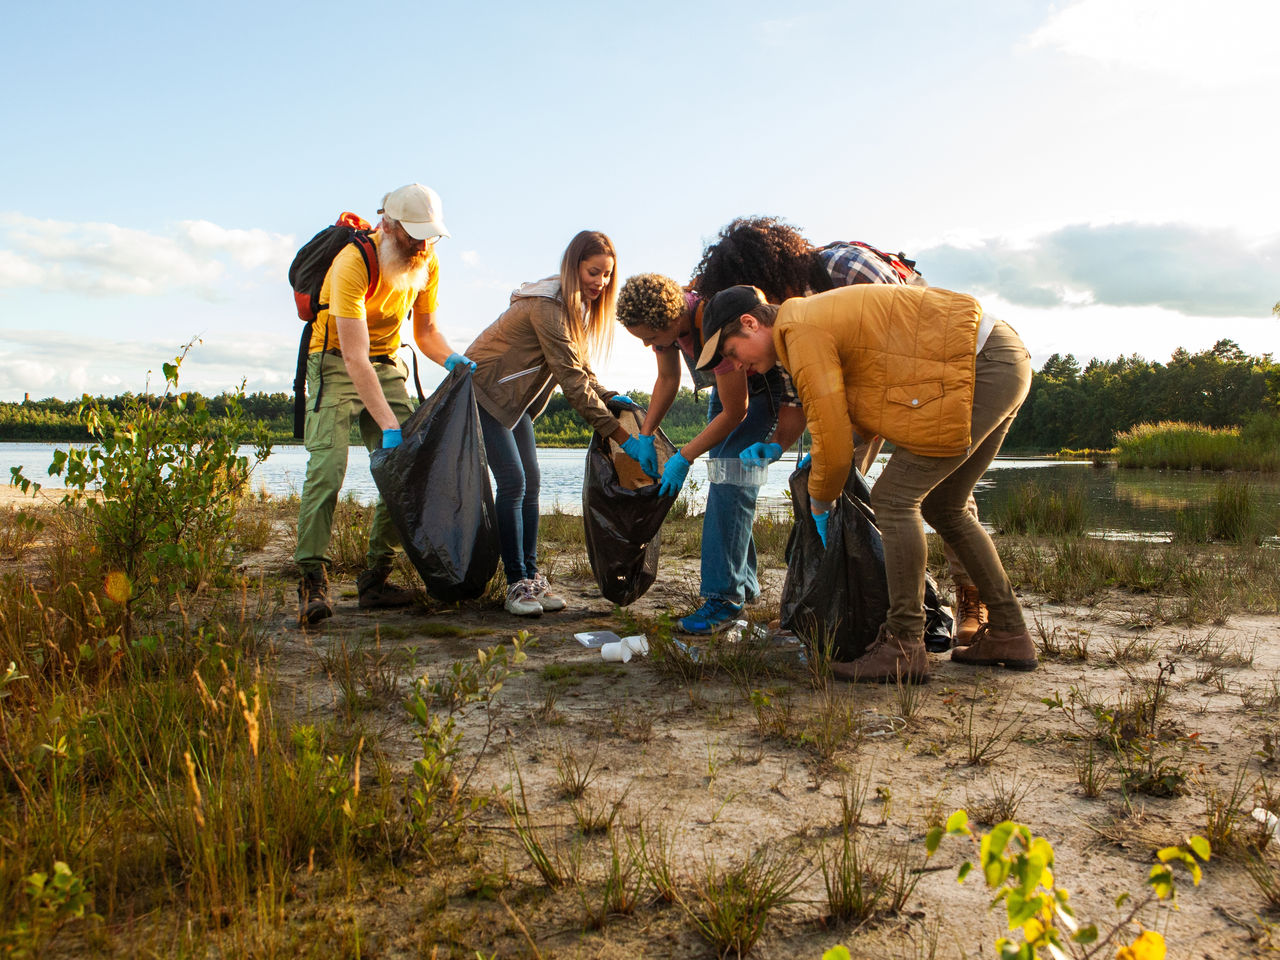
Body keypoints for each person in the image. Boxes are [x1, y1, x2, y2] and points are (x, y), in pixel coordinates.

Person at [696, 283, 1035, 682]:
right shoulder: (809, 319)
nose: (737, 366)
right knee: (946, 506)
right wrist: (788, 451)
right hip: (999, 360)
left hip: (979, 365)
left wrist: (820, 501)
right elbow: (858, 413)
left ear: (751, 324)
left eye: (733, 353)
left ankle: (904, 645)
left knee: (893, 499)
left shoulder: (798, 330)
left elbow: (834, 442)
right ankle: (1010, 632)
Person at [694, 216, 989, 644]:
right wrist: (778, 446)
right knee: (828, 485)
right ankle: (831, 602)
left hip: (935, 370)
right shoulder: (784, 330)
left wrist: (847, 438)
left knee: (943, 491)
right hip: (855, 392)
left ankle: (969, 594)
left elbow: (913, 334)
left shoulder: (847, 270)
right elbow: (797, 401)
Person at [295, 183, 475, 625]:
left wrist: (452, 359)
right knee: (328, 467)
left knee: (409, 468)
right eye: (412, 234)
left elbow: (426, 333)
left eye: (427, 235)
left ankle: (375, 578)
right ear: (387, 225)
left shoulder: (427, 260)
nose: (420, 244)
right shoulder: (351, 263)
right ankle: (311, 579)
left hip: (387, 361)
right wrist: (389, 426)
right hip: (335, 361)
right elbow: (355, 358)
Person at [466, 230, 645, 617]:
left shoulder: (572, 307)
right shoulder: (548, 305)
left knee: (531, 484)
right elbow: (572, 383)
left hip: (514, 404)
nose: (601, 282)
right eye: (593, 271)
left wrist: (610, 396)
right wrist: (620, 437)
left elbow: (581, 370)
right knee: (513, 481)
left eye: (607, 275)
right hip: (482, 392)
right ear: (574, 266)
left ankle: (530, 578)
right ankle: (515, 584)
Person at [615, 273, 805, 633]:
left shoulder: (712, 327)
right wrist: (645, 433)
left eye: (649, 338)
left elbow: (737, 411)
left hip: (761, 389)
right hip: (729, 388)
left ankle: (724, 599)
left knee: (728, 483)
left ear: (670, 320)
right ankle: (743, 587)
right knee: (727, 481)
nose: (647, 345)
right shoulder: (669, 331)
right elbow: (668, 380)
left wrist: (684, 456)